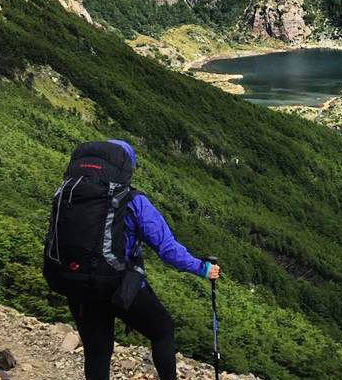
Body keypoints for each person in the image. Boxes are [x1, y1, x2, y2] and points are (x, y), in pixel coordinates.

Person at [44, 138, 219, 380]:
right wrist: (202, 268)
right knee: (163, 330)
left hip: (77, 283)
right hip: (118, 286)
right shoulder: (133, 201)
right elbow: (167, 249)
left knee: (97, 351)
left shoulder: (68, 194)